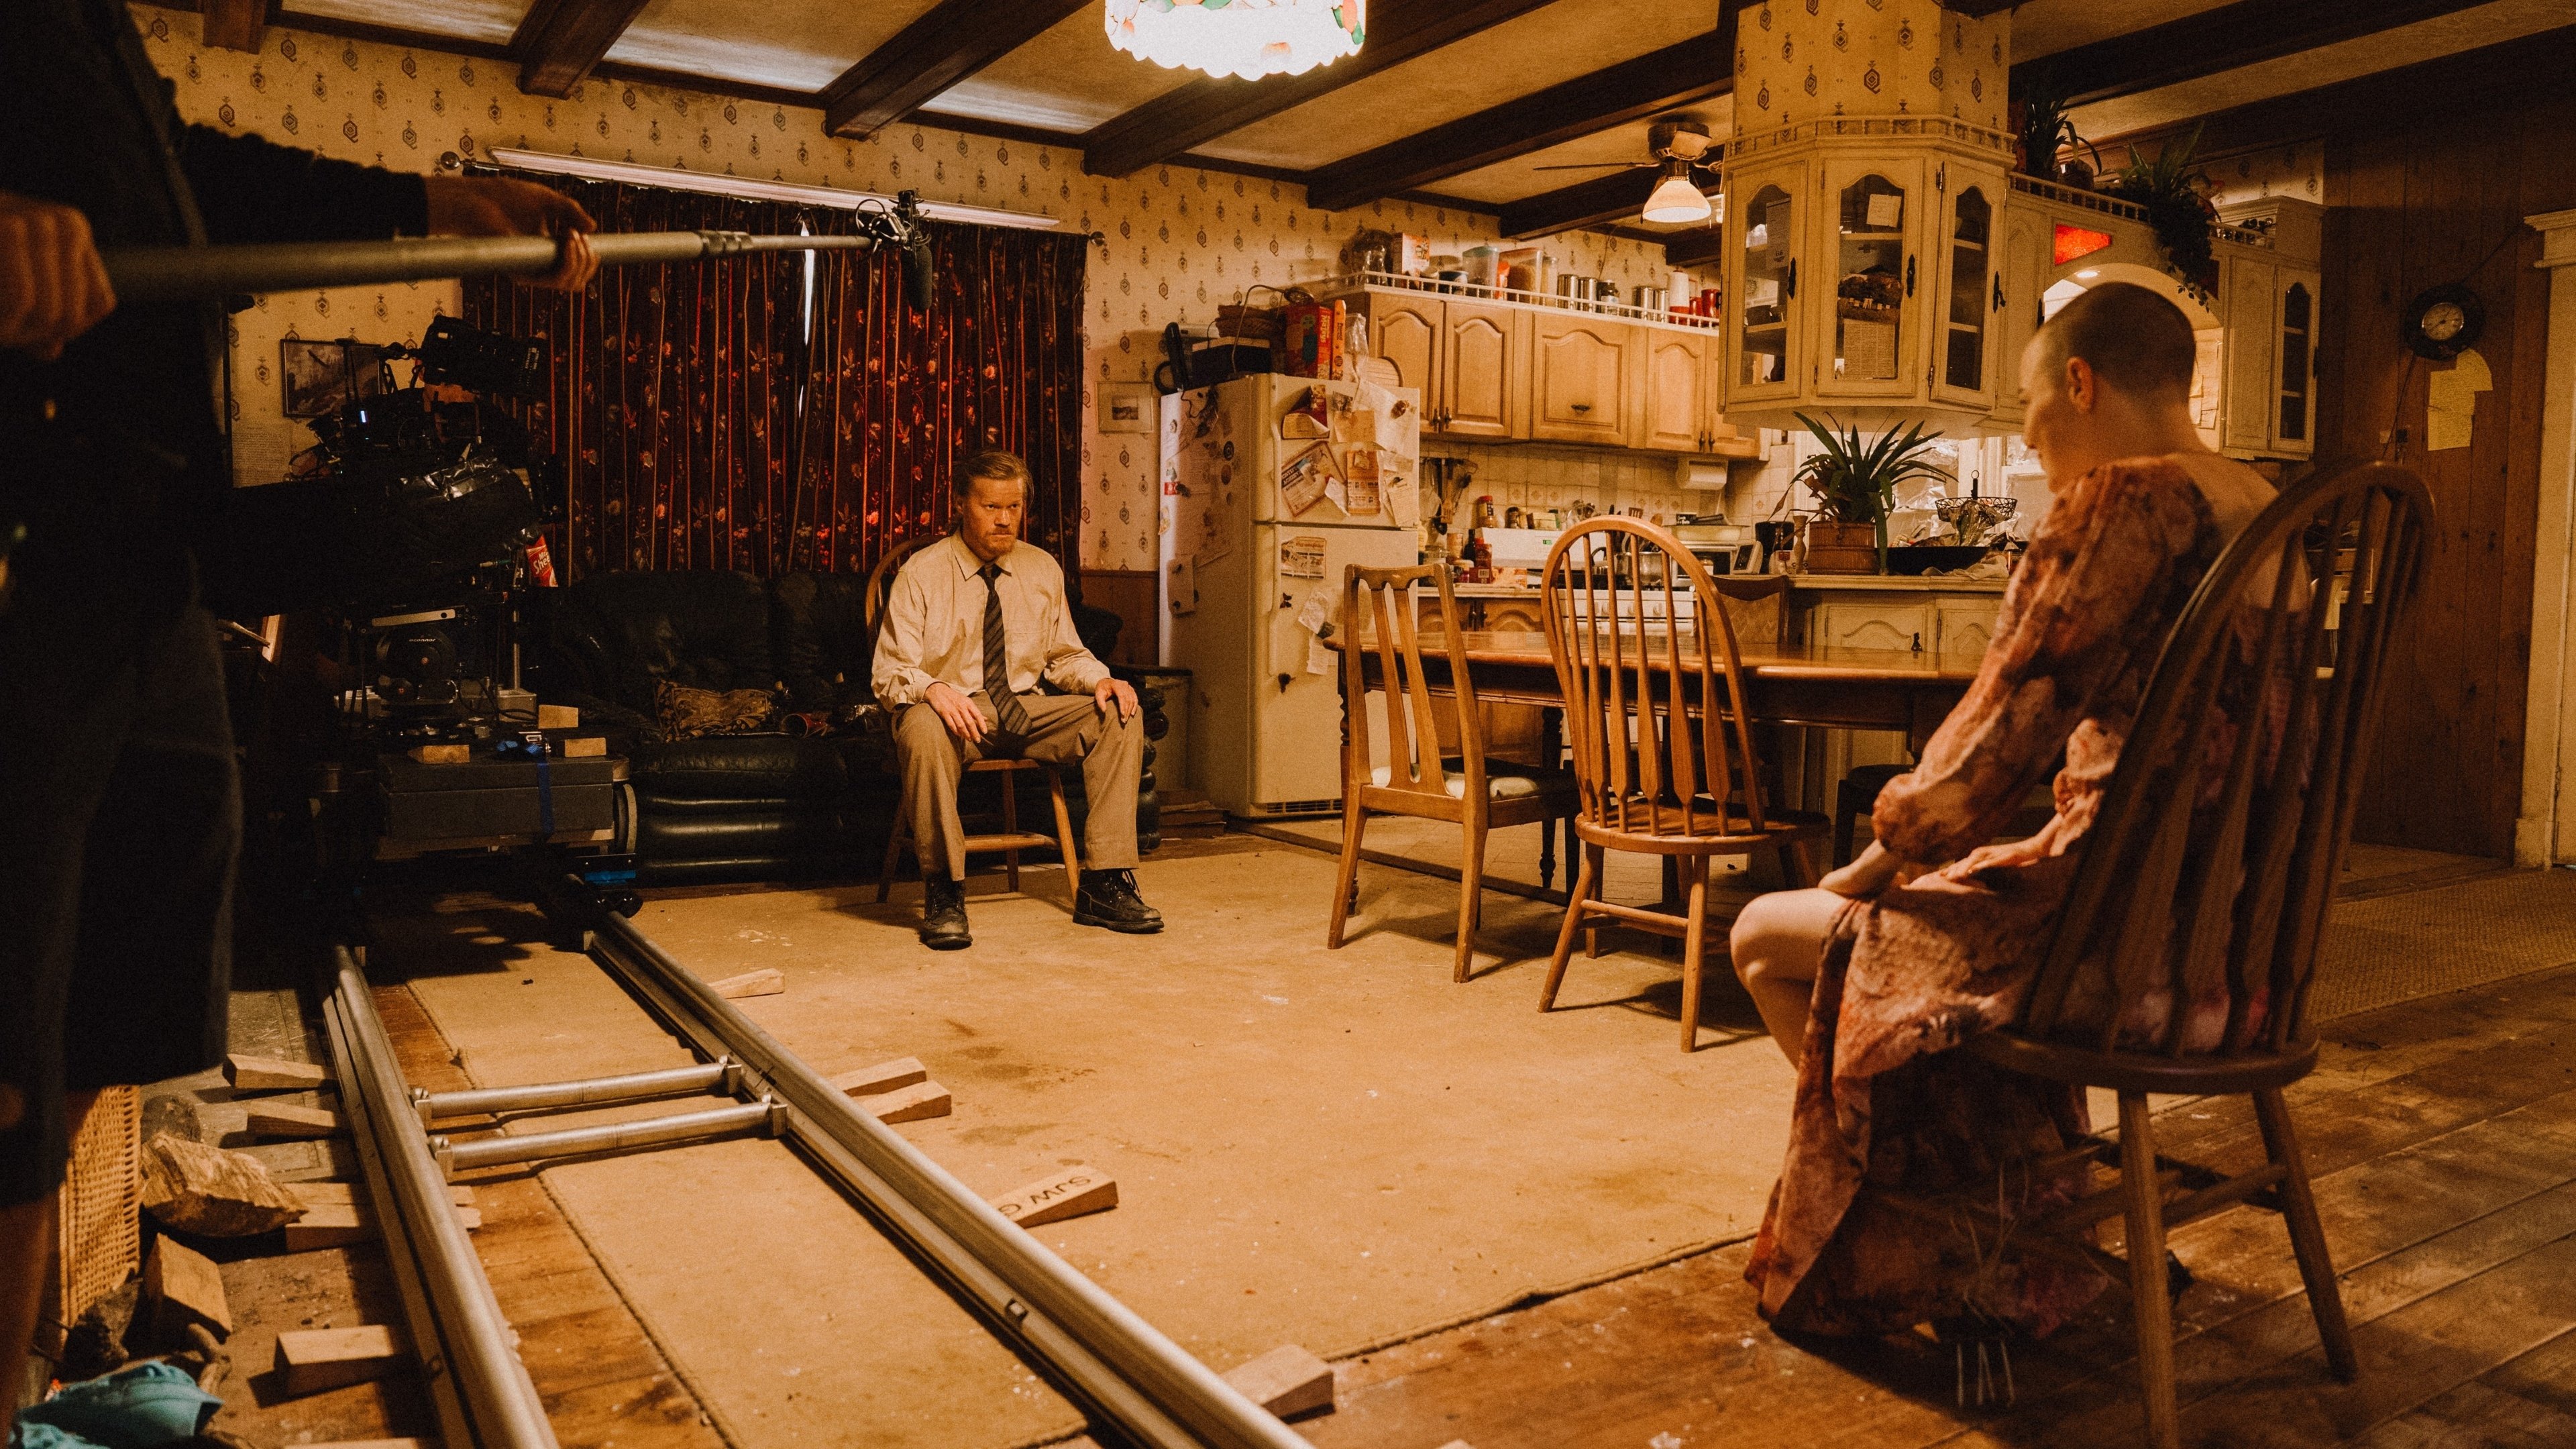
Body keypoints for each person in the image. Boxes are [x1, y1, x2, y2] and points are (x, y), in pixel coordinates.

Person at [1, 0, 598, 1388]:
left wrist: (435, 199)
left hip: (147, 546)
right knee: (8, 1053)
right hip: (22, 528)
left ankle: (22, 1393)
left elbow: (190, 181)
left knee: (120, 1003)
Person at [1725, 282, 2284, 1338]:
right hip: (2238, 961)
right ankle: (2017, 1203)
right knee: (1940, 919)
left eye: (2029, 404)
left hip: (2112, 958)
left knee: (1767, 934)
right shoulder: (2272, 509)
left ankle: (1946, 1232)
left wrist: (1862, 871)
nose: (2029, 437)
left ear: (2079, 381)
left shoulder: (2131, 500)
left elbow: (1991, 748)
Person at [873, 449, 1163, 949]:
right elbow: (890, 673)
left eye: (1014, 507)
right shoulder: (921, 573)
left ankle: (1104, 882)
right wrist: (934, 690)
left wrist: (1100, 679)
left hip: (1026, 708)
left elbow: (1064, 655)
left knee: (1120, 713)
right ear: (962, 505)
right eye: (991, 507)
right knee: (919, 726)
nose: (1004, 519)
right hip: (953, 717)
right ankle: (944, 890)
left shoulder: (1041, 568)